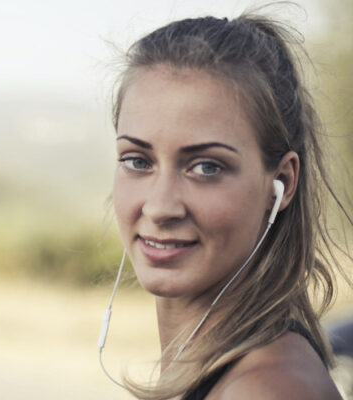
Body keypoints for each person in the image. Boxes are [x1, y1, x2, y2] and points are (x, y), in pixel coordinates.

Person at [105, 6, 352, 400]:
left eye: (206, 167)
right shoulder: (238, 372)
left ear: (282, 183)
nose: (159, 207)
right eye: (138, 161)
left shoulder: (266, 388)